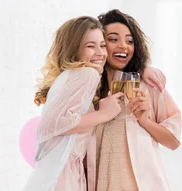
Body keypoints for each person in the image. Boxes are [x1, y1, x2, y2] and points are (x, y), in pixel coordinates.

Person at [23, 16, 123, 191]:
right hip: (62, 172)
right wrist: (104, 114)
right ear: (73, 49)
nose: (100, 53)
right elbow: (54, 123)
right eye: (90, 46)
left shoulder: (71, 75)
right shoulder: (87, 74)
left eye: (102, 45)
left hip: (56, 169)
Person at [94, 9, 182, 191]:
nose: (123, 46)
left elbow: (173, 141)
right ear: (100, 45)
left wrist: (144, 120)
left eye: (129, 41)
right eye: (113, 39)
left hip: (143, 184)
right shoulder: (89, 87)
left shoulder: (148, 85)